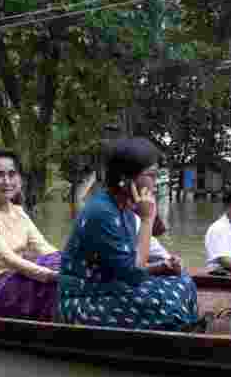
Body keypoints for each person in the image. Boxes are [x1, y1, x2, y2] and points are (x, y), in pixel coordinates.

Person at [57, 137, 198, 332]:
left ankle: (183, 329)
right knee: (163, 303)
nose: (156, 183)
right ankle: (181, 333)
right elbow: (134, 274)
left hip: (112, 288)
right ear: (126, 178)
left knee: (183, 282)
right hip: (84, 299)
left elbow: (126, 266)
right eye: (151, 175)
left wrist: (163, 267)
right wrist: (148, 219)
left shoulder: (126, 208)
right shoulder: (101, 212)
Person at [0, 149, 62, 320]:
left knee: (57, 260)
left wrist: (68, 265)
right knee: (49, 283)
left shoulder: (19, 212)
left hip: (16, 280)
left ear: (19, 178)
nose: (7, 181)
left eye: (12, 174)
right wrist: (50, 275)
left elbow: (44, 248)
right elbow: (9, 259)